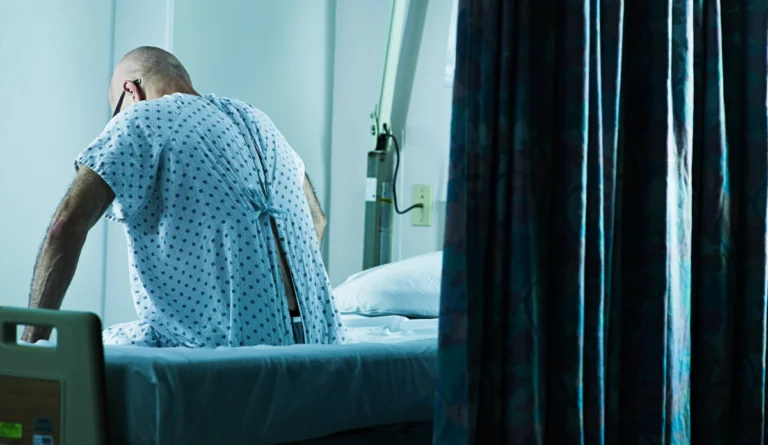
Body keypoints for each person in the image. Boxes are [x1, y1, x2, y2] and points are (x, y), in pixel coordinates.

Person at [22, 46, 346, 347]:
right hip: (319, 341)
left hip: (233, 348)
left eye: (116, 112)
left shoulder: (143, 118)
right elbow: (317, 220)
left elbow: (65, 225)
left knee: (95, 350)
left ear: (130, 92)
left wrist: (30, 348)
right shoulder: (260, 122)